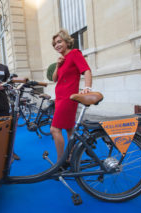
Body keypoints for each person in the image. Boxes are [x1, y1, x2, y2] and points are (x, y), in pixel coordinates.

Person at [50, 29, 92, 163]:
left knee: (54, 129)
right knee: (69, 129)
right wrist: (57, 65)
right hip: (60, 98)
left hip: (68, 98)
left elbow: (86, 70)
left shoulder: (74, 53)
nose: (57, 45)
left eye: (59, 41)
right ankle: (72, 158)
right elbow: (54, 78)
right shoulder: (62, 60)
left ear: (66, 41)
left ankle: (60, 162)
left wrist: (87, 87)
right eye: (55, 44)